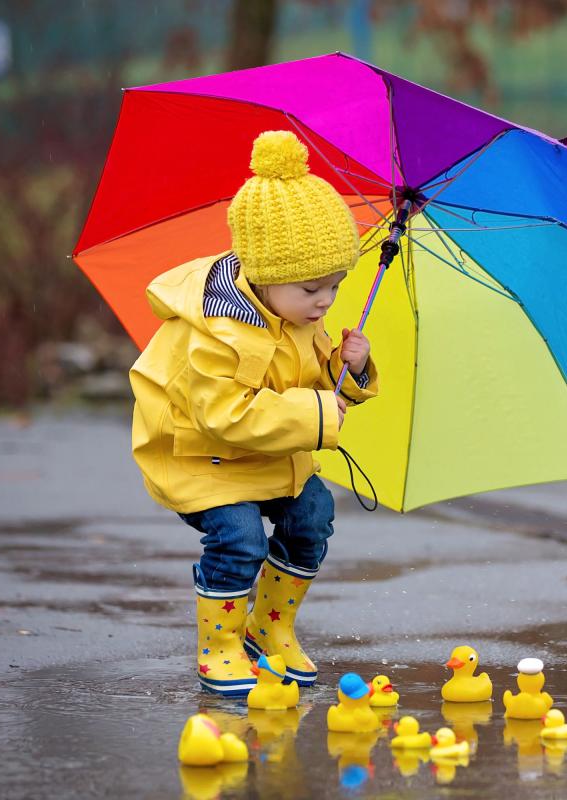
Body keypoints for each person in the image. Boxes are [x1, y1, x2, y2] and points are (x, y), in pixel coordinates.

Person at [129, 130, 379, 696]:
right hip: (200, 457)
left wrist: (349, 368)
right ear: (263, 275)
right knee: (240, 536)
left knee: (312, 511)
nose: (325, 302)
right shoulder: (216, 332)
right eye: (313, 287)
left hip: (268, 454)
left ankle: (272, 627)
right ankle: (219, 643)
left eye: (336, 287)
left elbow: (316, 381)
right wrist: (319, 413)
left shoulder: (299, 318)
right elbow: (225, 415)